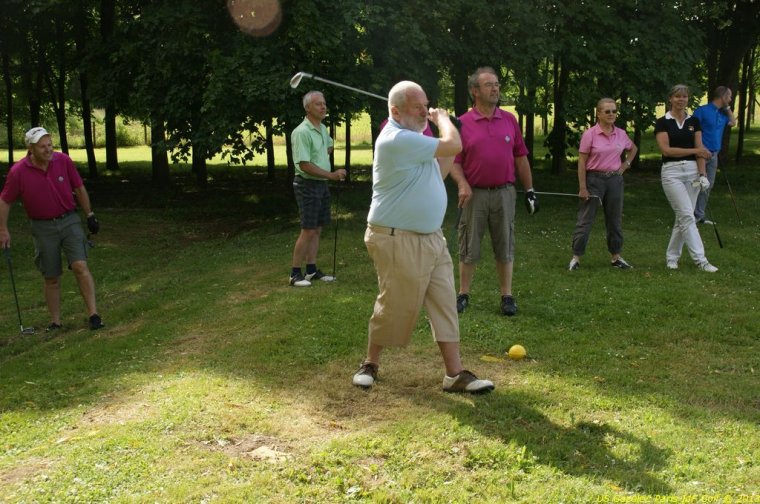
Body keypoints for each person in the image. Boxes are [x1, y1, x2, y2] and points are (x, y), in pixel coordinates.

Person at [352, 81, 494, 394]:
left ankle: (454, 374)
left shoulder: (415, 139)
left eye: (426, 106)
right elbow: (452, 146)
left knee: (444, 303)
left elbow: (438, 170)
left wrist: (449, 130)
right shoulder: (396, 139)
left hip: (431, 237)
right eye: (417, 107)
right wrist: (443, 120)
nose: (423, 112)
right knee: (395, 303)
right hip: (396, 237)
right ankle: (370, 363)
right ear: (395, 111)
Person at [449, 67, 538, 317]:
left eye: (497, 84)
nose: (495, 89)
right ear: (475, 91)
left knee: (505, 243)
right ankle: (463, 294)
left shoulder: (509, 120)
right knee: (469, 245)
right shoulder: (462, 123)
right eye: (489, 85)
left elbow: (520, 157)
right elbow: (454, 161)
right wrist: (462, 183)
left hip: (504, 193)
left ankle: (507, 296)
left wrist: (530, 190)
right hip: (474, 194)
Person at [0, 127, 105, 331]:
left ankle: (94, 315)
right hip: (42, 227)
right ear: (31, 149)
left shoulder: (63, 160)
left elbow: (78, 187)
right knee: (51, 276)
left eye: (50, 145)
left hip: (69, 219)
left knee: (80, 266)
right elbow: (5, 201)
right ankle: (55, 322)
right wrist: (3, 229)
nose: (48, 149)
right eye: (42, 146)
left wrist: (90, 214)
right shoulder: (18, 172)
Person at [569, 98, 638, 271]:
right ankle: (576, 257)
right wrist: (582, 187)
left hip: (614, 180)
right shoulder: (590, 134)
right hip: (594, 180)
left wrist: (625, 165)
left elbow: (633, 148)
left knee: (615, 220)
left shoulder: (620, 133)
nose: (611, 114)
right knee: (586, 219)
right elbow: (581, 161)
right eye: (607, 111)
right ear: (598, 114)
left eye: (614, 111)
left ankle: (616, 257)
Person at [654, 84, 717, 272]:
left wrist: (703, 174)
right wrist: (695, 151)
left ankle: (672, 257)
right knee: (687, 216)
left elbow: (700, 151)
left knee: (682, 217)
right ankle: (701, 260)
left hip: (692, 172)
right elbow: (667, 150)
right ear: (670, 99)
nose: (681, 100)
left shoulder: (694, 121)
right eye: (677, 96)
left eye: (684, 96)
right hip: (672, 172)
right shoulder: (662, 122)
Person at [289, 90, 346, 287]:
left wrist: (322, 159)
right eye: (318, 104)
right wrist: (331, 175)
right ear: (307, 108)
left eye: (324, 103)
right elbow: (304, 165)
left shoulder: (322, 128)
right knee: (308, 230)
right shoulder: (301, 132)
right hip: (307, 184)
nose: (323, 107)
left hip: (320, 184)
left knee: (317, 229)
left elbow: (328, 147)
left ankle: (311, 270)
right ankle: (294, 274)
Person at [692, 86, 736, 223]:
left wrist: (727, 108)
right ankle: (689, 214)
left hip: (714, 154)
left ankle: (699, 215)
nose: (730, 99)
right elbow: (691, 130)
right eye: (729, 96)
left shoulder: (722, 113)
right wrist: (700, 148)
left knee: (708, 185)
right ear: (723, 97)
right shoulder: (702, 111)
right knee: (696, 184)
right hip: (701, 153)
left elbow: (733, 122)